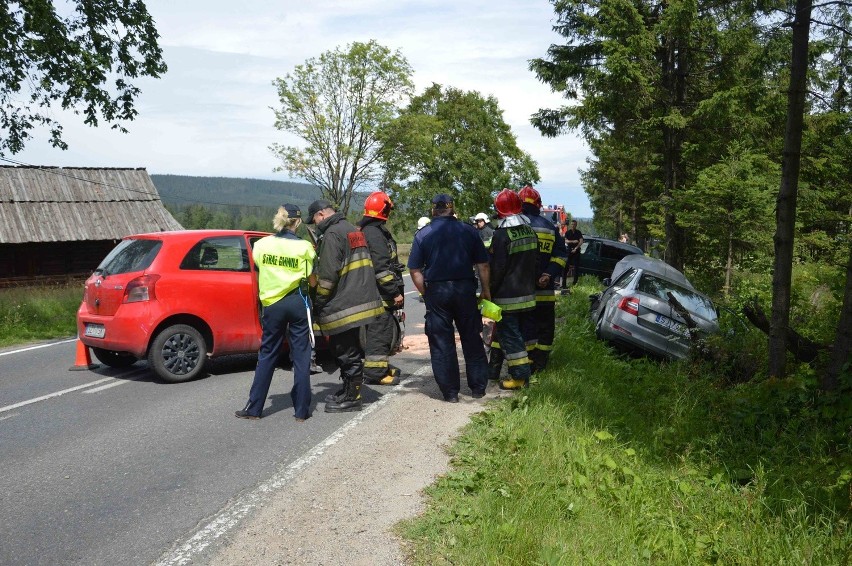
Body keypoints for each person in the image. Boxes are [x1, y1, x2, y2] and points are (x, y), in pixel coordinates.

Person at [236, 203, 316, 421]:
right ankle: (301, 411)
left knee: (267, 354)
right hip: (298, 302)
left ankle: (254, 408)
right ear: (297, 222)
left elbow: (260, 268)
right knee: (301, 356)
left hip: (272, 304)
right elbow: (312, 279)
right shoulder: (305, 247)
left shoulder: (261, 245)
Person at [408, 193, 491, 402]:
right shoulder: (469, 231)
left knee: (441, 342)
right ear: (452, 209)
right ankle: (478, 388)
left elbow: (415, 270)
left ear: (433, 210)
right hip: (465, 289)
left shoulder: (422, 234)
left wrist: (426, 293)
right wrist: (486, 290)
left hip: (437, 292)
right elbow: (483, 265)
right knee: (472, 338)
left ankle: (450, 393)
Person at [308, 199, 385, 412]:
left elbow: (327, 277)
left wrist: (319, 301)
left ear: (321, 215)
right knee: (349, 348)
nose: (315, 224)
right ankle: (349, 390)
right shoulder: (352, 229)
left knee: (345, 350)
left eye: (314, 219)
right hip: (361, 298)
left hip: (344, 303)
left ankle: (353, 398)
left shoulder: (332, 234)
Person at [487, 189, 538, 390]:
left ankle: (519, 377)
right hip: (528, 295)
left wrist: (488, 291)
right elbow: (536, 263)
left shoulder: (502, 235)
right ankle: (496, 370)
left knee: (511, 338)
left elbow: (497, 269)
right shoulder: (530, 231)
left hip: (508, 299)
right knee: (520, 336)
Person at [518, 185, 568, 372]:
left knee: (526, 328)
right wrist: (548, 273)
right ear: (538, 205)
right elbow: (561, 255)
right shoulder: (549, 226)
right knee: (545, 328)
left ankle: (528, 363)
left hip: (521, 292)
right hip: (545, 292)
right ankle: (541, 364)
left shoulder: (514, 226)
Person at [358, 191, 405, 386]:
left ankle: (381, 367)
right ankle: (375, 373)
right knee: (380, 331)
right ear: (383, 210)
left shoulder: (370, 230)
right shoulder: (375, 234)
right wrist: (394, 291)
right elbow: (381, 267)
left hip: (372, 292)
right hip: (380, 294)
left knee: (380, 330)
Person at [564, 219, 584, 286]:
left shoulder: (578, 232)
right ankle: (563, 284)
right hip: (569, 251)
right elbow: (566, 241)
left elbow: (581, 241)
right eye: (572, 224)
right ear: (570, 225)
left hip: (576, 251)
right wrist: (573, 241)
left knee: (576, 268)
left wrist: (576, 248)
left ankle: (574, 284)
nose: (573, 226)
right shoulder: (567, 232)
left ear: (576, 225)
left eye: (574, 224)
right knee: (566, 267)